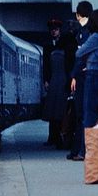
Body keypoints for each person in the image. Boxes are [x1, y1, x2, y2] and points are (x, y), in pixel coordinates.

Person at [72, 9, 98, 139]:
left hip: (93, 75)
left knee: (89, 114)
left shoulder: (95, 37)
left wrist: (87, 55)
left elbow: (79, 53)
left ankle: (89, 150)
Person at [67, 0, 94, 161]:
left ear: (78, 15)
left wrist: (74, 76)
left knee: (81, 114)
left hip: (83, 77)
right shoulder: (91, 30)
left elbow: (80, 56)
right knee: (83, 114)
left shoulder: (84, 32)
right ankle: (78, 149)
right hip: (86, 75)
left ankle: (81, 150)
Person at [42, 19, 74, 148]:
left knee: (60, 108)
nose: (53, 32)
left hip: (61, 78)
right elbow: (45, 64)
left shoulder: (65, 44)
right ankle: (52, 136)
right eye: (52, 30)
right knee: (52, 109)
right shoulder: (47, 45)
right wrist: (46, 79)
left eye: (55, 29)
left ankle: (60, 135)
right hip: (53, 78)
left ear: (59, 30)